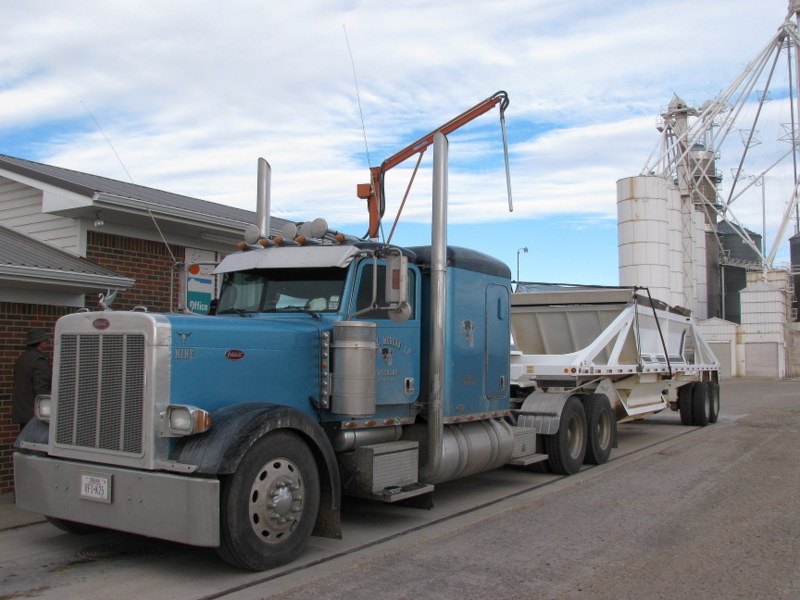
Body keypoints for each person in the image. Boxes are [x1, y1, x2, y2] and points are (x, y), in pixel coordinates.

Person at [12, 328, 52, 431]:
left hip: (23, 411)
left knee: (25, 442)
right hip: (35, 413)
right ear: (40, 343)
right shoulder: (39, 361)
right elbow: (42, 389)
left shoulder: (22, 358)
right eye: (45, 340)